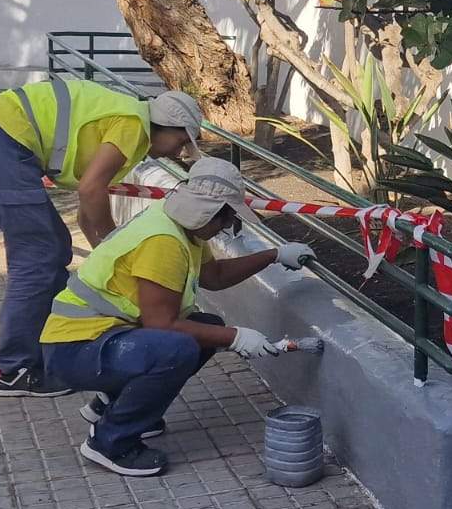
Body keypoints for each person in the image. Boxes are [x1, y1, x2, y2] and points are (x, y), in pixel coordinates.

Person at [38, 157, 315, 477]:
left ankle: (114, 403)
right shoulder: (164, 242)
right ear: (212, 211)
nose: (227, 227)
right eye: (228, 218)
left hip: (96, 339)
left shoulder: (177, 224)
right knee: (177, 347)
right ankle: (111, 441)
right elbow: (162, 324)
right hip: (73, 348)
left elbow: (215, 275)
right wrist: (238, 337)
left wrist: (274, 255)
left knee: (207, 328)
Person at [0, 76, 205, 398]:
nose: (179, 151)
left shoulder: (129, 121)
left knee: (53, 246)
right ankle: (14, 370)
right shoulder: (134, 125)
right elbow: (91, 191)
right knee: (39, 256)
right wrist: (117, 244)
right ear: (166, 126)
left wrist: (106, 250)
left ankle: (39, 355)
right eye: (181, 141)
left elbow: (88, 203)